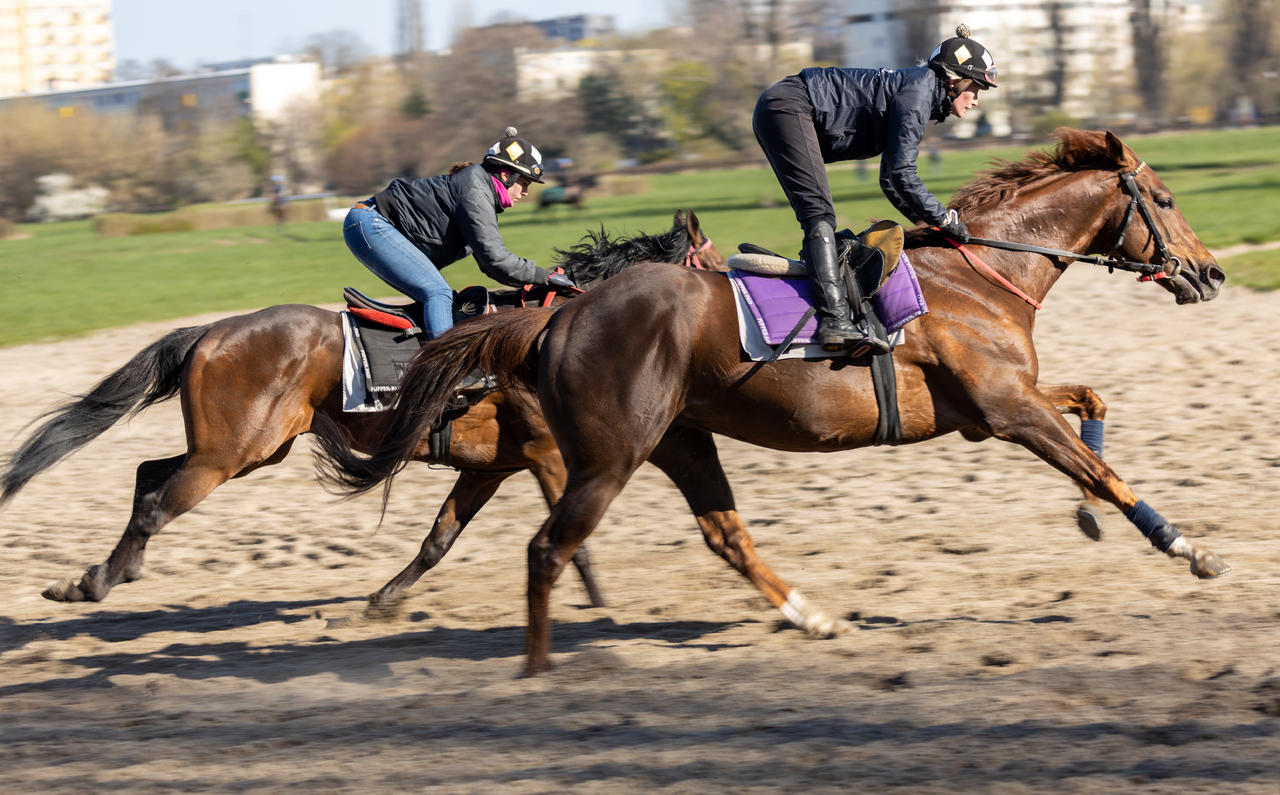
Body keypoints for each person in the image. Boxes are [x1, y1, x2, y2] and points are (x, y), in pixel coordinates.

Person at [753, 25, 998, 353]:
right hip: (789, 106)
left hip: (785, 106)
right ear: (955, 81)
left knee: (820, 214)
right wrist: (945, 220)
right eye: (977, 89)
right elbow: (902, 174)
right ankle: (834, 319)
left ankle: (831, 301)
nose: (976, 101)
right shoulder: (918, 94)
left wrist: (931, 224)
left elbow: (889, 179)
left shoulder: (919, 91)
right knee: (819, 214)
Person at [343, 126, 577, 342]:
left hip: (372, 223)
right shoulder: (475, 194)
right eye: (525, 183)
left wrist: (534, 279)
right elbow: (497, 260)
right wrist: (545, 276)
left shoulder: (479, 191)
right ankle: (439, 367)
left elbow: (490, 265)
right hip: (370, 223)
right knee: (438, 292)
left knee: (443, 298)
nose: (526, 192)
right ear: (506, 175)